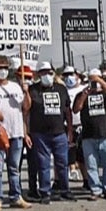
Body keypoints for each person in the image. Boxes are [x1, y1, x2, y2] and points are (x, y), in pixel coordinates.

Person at [0, 55, 31, 211]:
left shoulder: (16, 87)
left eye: (5, 68)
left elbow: (26, 107)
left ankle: (16, 196)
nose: (2, 71)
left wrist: (26, 92)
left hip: (16, 132)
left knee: (14, 167)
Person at [27, 61, 75, 203]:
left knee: (63, 163)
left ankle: (65, 190)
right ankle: (45, 192)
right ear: (38, 74)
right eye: (43, 72)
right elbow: (26, 109)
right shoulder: (32, 90)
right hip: (40, 133)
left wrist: (70, 129)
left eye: (49, 72)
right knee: (43, 164)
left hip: (59, 132)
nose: (47, 75)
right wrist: (25, 92)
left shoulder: (61, 89)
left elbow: (67, 110)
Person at [76, 69, 106, 199]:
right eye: (91, 79)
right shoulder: (82, 93)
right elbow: (76, 108)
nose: (94, 82)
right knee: (91, 165)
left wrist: (100, 81)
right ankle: (95, 189)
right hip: (88, 135)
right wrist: (84, 94)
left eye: (96, 79)